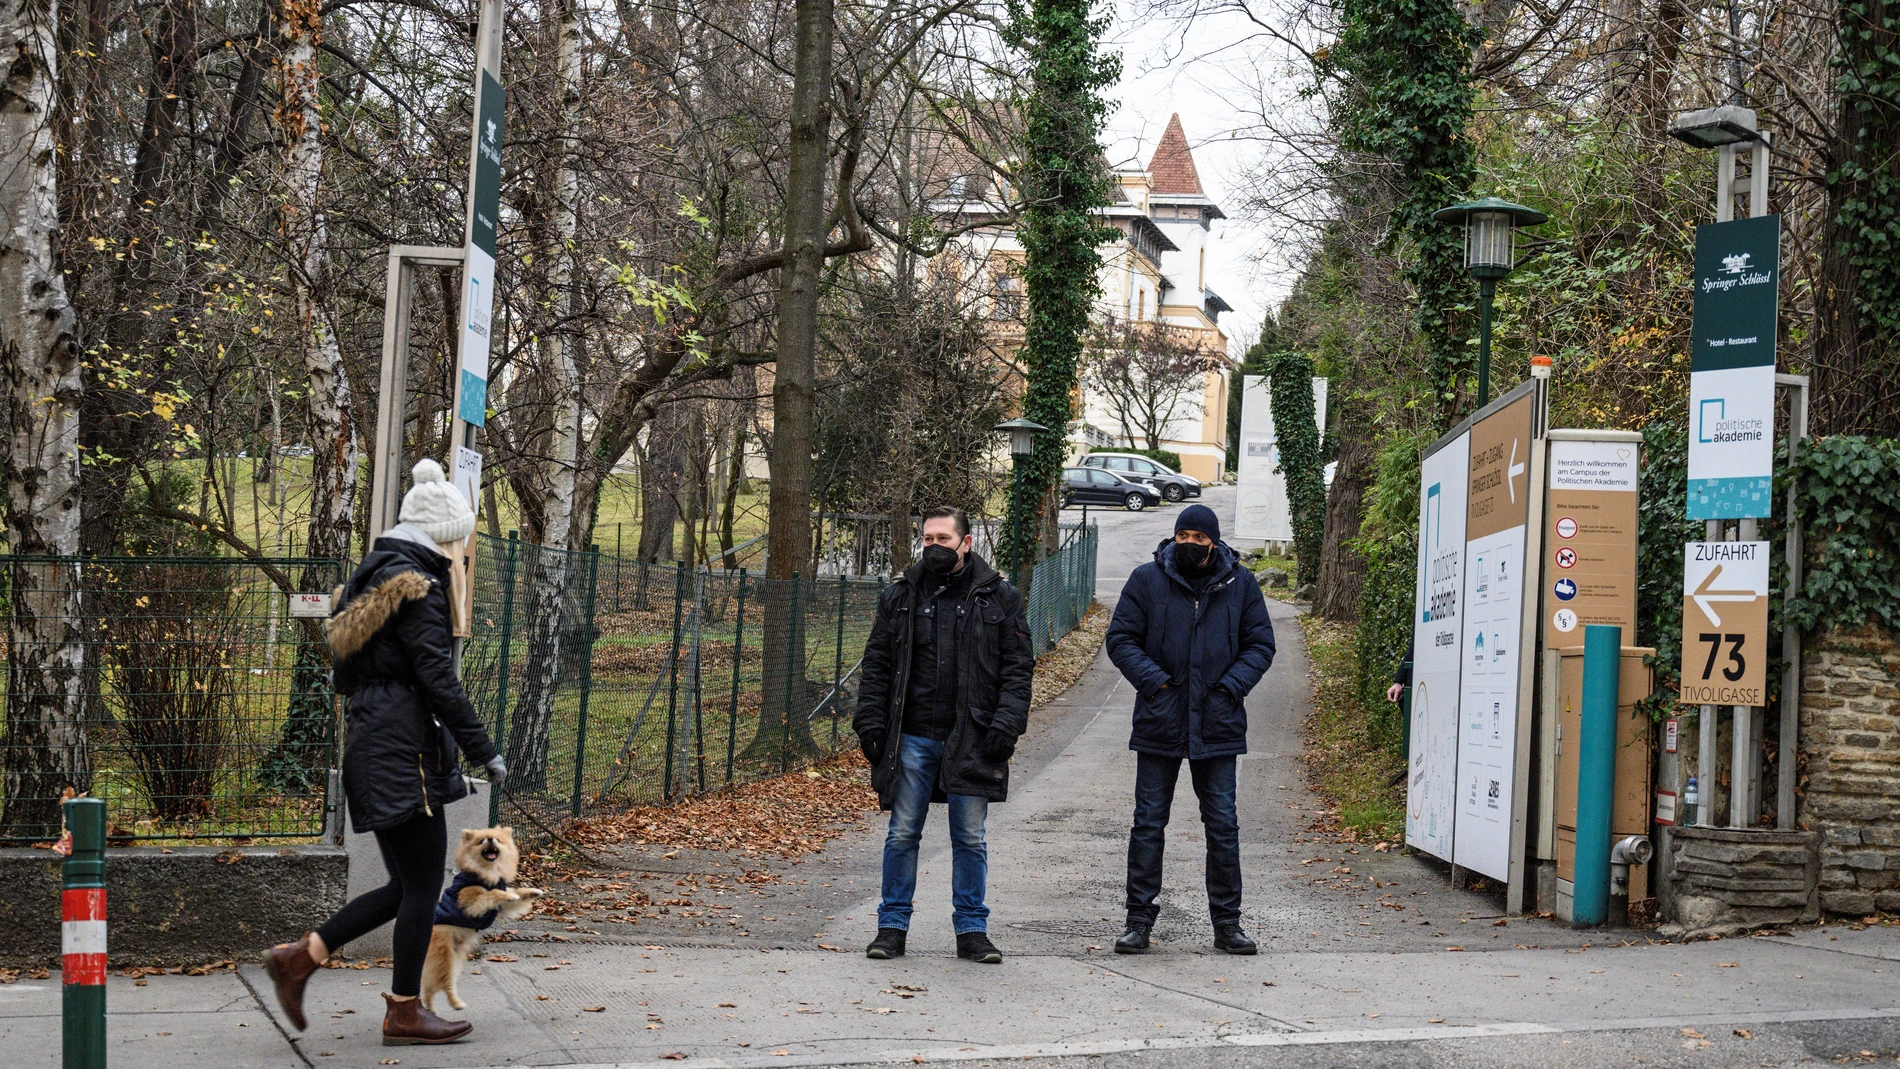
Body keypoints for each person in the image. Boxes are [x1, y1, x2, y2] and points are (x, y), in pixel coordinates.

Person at [264, 459, 505, 1046]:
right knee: (420, 888)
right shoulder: (418, 588)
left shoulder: (367, 582)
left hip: (373, 744)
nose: (459, 551)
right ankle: (402, 1011)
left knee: (406, 885)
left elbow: (346, 677)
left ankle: (301, 958)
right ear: (443, 535)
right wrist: (483, 749)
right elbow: (438, 678)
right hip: (403, 756)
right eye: (458, 539)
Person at [852, 505, 1034, 964]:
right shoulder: (900, 596)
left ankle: (972, 931)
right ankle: (891, 928)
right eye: (928, 539)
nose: (934, 547)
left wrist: (1006, 725)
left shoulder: (1000, 597)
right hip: (911, 737)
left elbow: (1018, 669)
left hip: (973, 737)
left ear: (966, 543)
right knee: (902, 834)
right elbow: (876, 663)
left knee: (970, 838)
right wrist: (870, 723)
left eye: (943, 539)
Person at [1105, 503, 1276, 955]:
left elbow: (1261, 644)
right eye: (1183, 536)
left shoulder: (1241, 584)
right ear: (1174, 536)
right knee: (1148, 823)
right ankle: (1138, 921)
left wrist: (1231, 687)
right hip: (1159, 720)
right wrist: (1155, 681)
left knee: (1222, 825)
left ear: (1214, 543)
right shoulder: (1146, 580)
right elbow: (1120, 638)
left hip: (1218, 722)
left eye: (1199, 538)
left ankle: (1227, 924)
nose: (1190, 544)